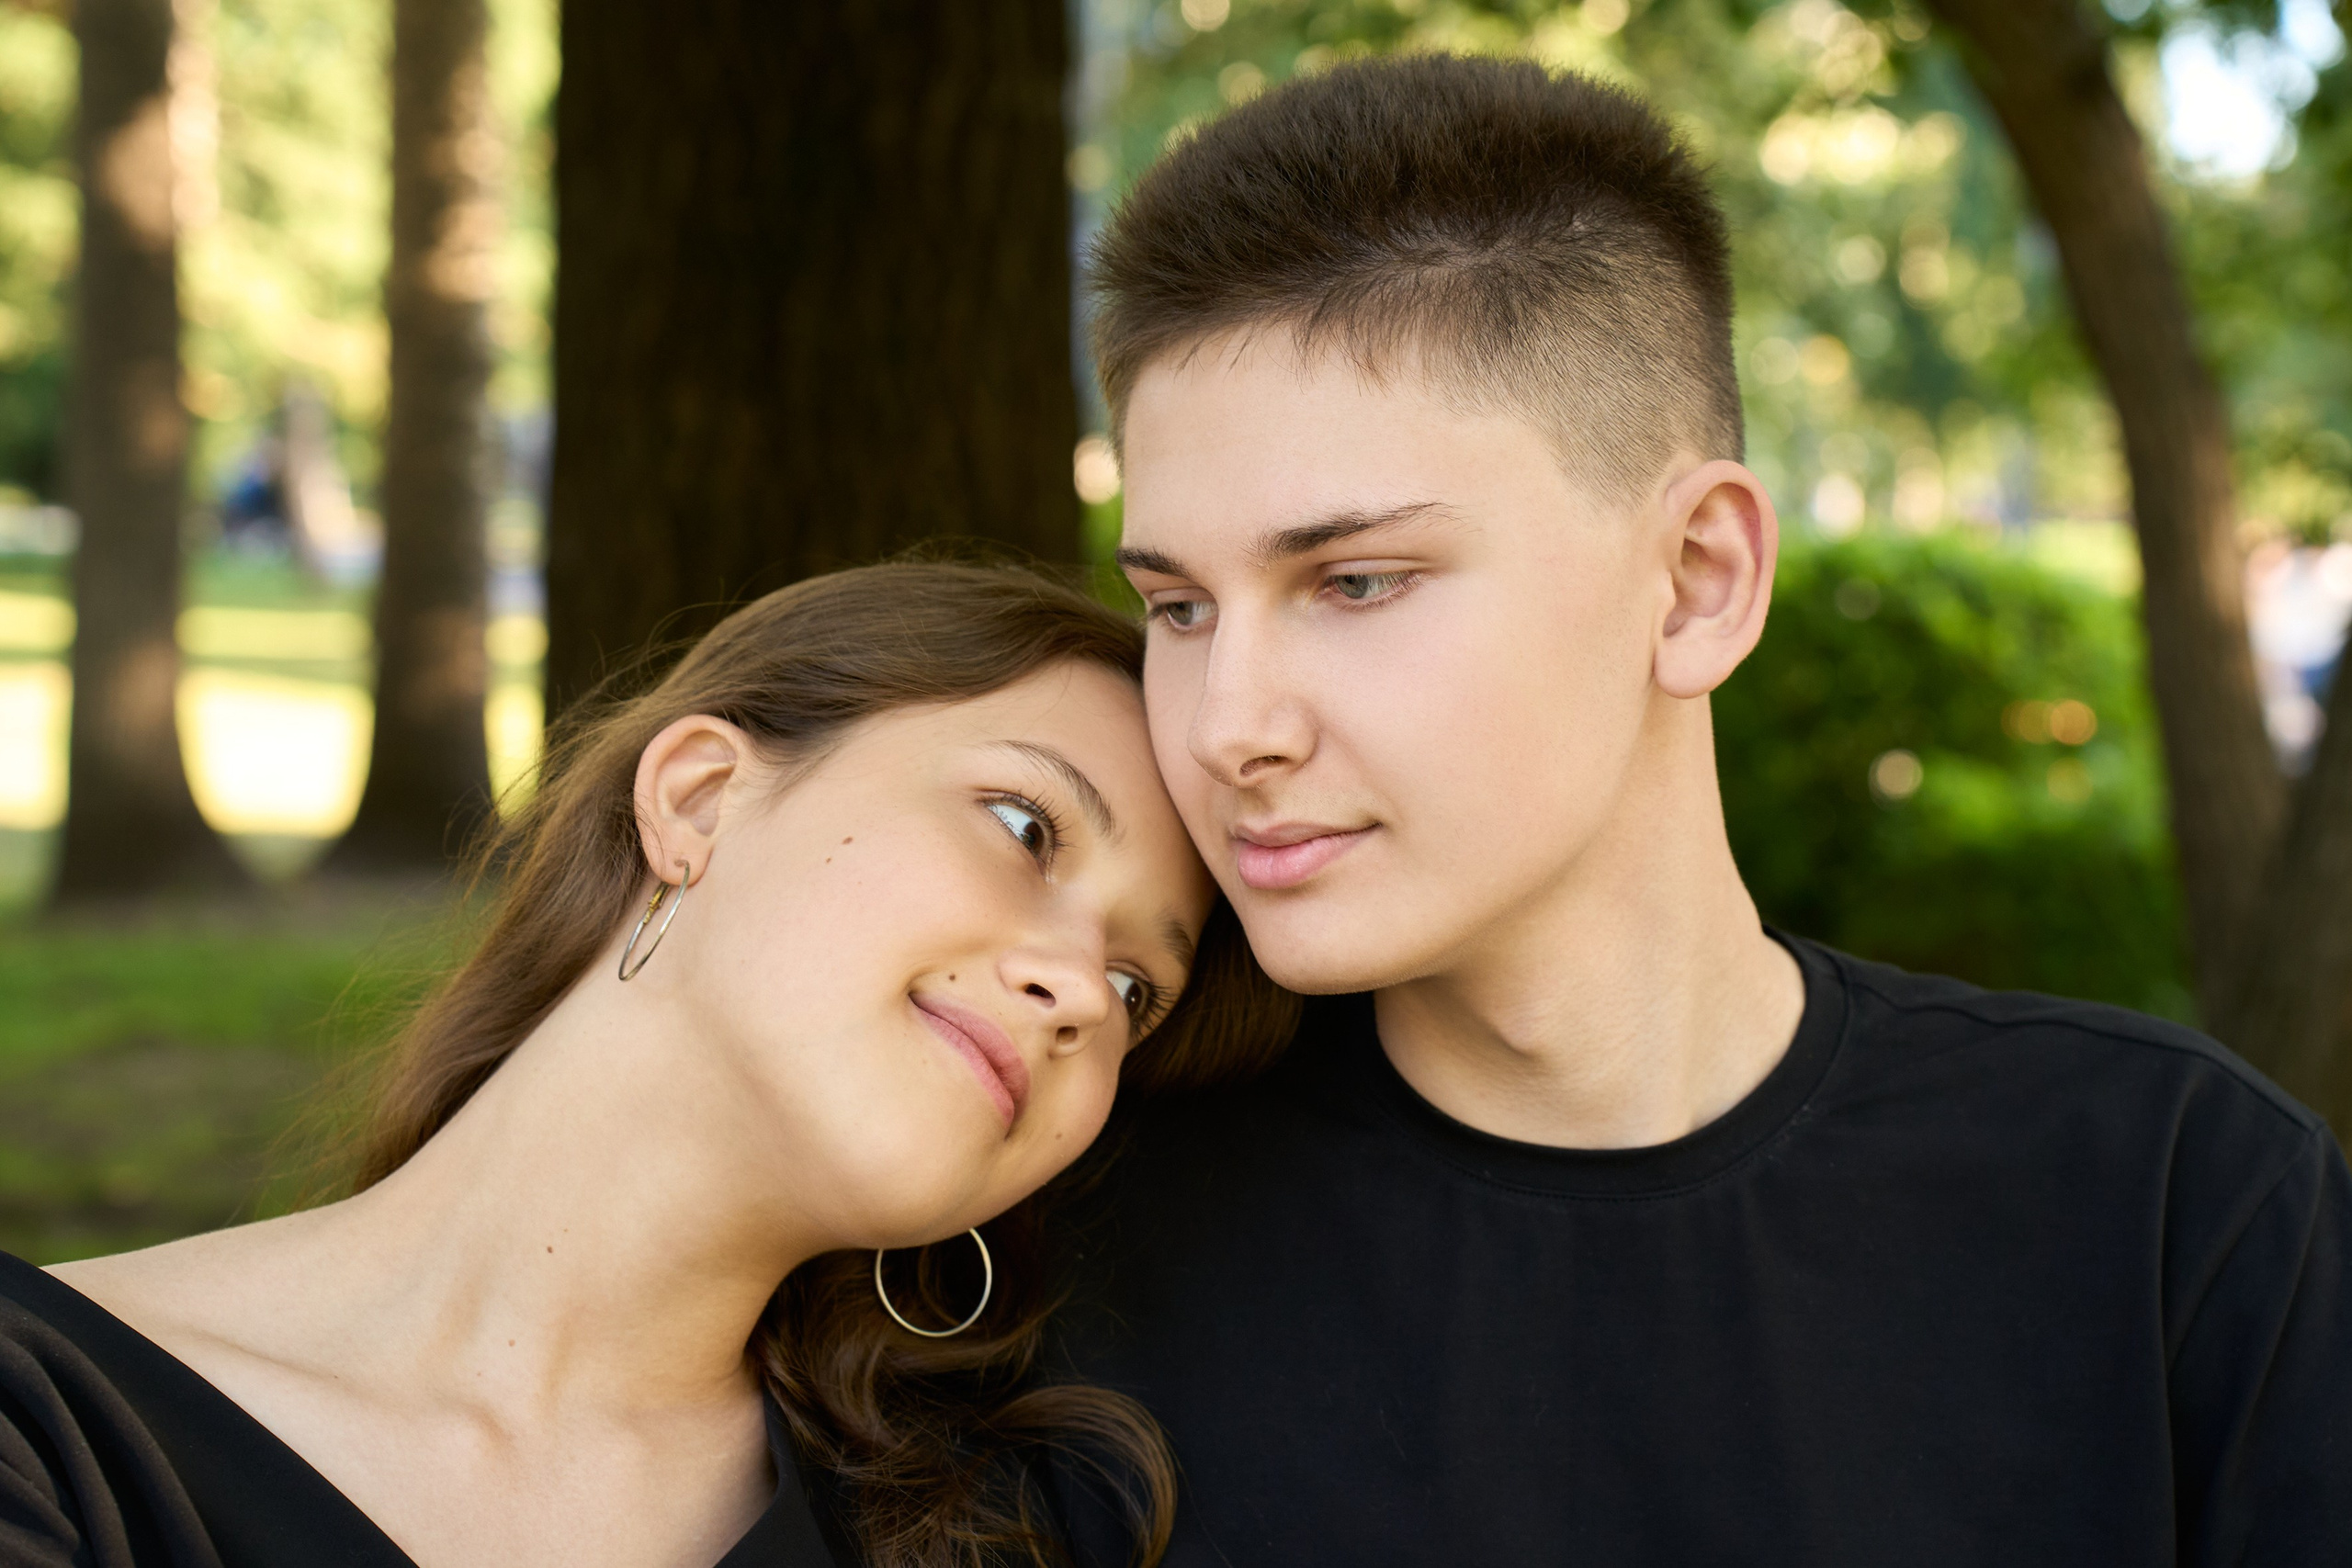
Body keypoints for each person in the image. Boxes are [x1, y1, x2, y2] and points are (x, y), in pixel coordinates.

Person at [1047, 55, 2352, 1565]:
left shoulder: (2173, 1210)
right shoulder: (1073, 1249)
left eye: (1354, 582)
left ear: (1698, 581)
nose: (1228, 729)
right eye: (1180, 608)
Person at [0, 562, 1294, 1568]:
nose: (1079, 989)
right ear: (698, 798)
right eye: (1027, 825)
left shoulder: (1020, 1530)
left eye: (1140, 988)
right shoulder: (47, 1427)